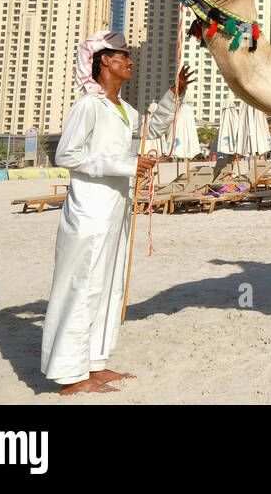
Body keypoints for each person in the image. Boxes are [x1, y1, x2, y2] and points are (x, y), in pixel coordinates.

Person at [41, 32, 193, 395]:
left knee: (108, 287)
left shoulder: (124, 110)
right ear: (104, 61)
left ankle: (94, 363)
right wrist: (125, 164)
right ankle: (70, 374)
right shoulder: (88, 106)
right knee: (82, 285)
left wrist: (174, 94)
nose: (130, 61)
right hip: (90, 211)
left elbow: (152, 129)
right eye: (123, 56)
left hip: (117, 211)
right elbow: (66, 155)